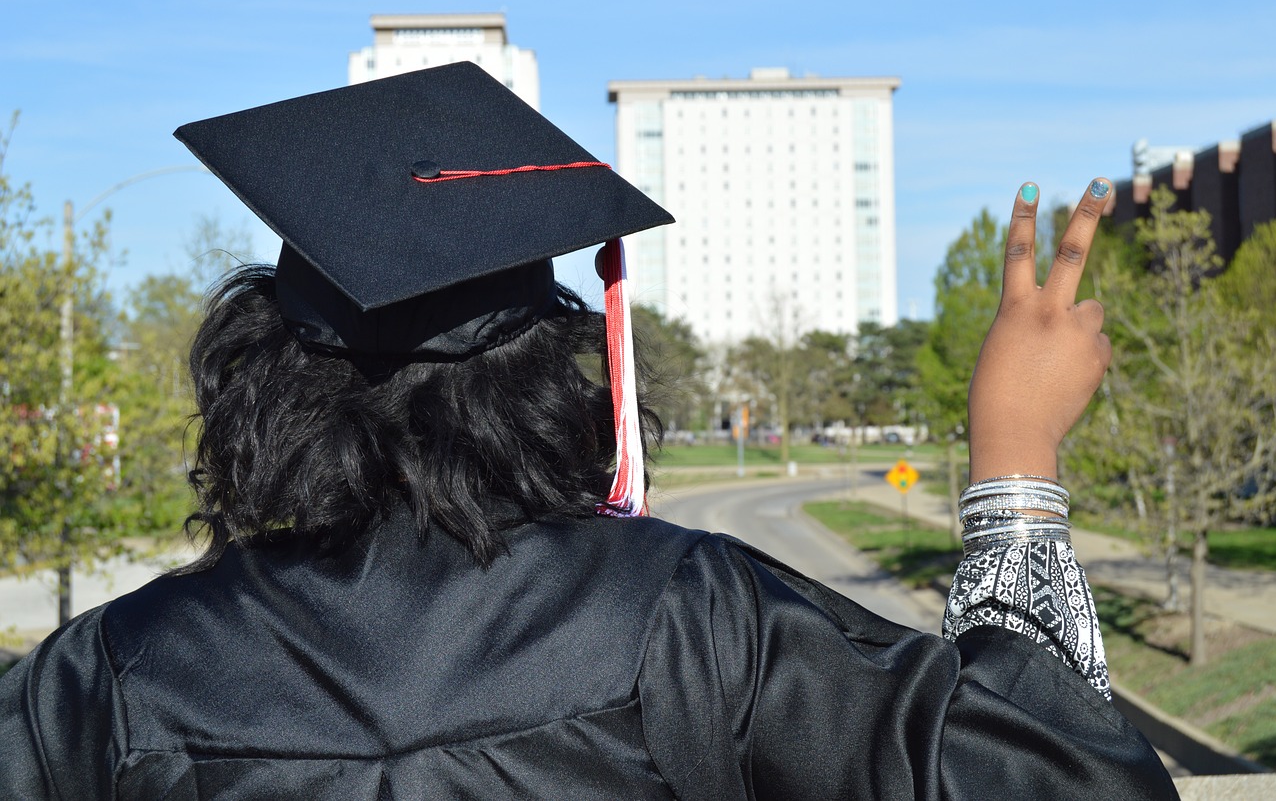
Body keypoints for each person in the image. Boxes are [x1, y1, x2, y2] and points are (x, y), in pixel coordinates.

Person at [0, 63, 1177, 799]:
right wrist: (1012, 469)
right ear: (554, 369)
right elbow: (1060, 780)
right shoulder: (687, 621)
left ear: (266, 368)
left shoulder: (105, 679)